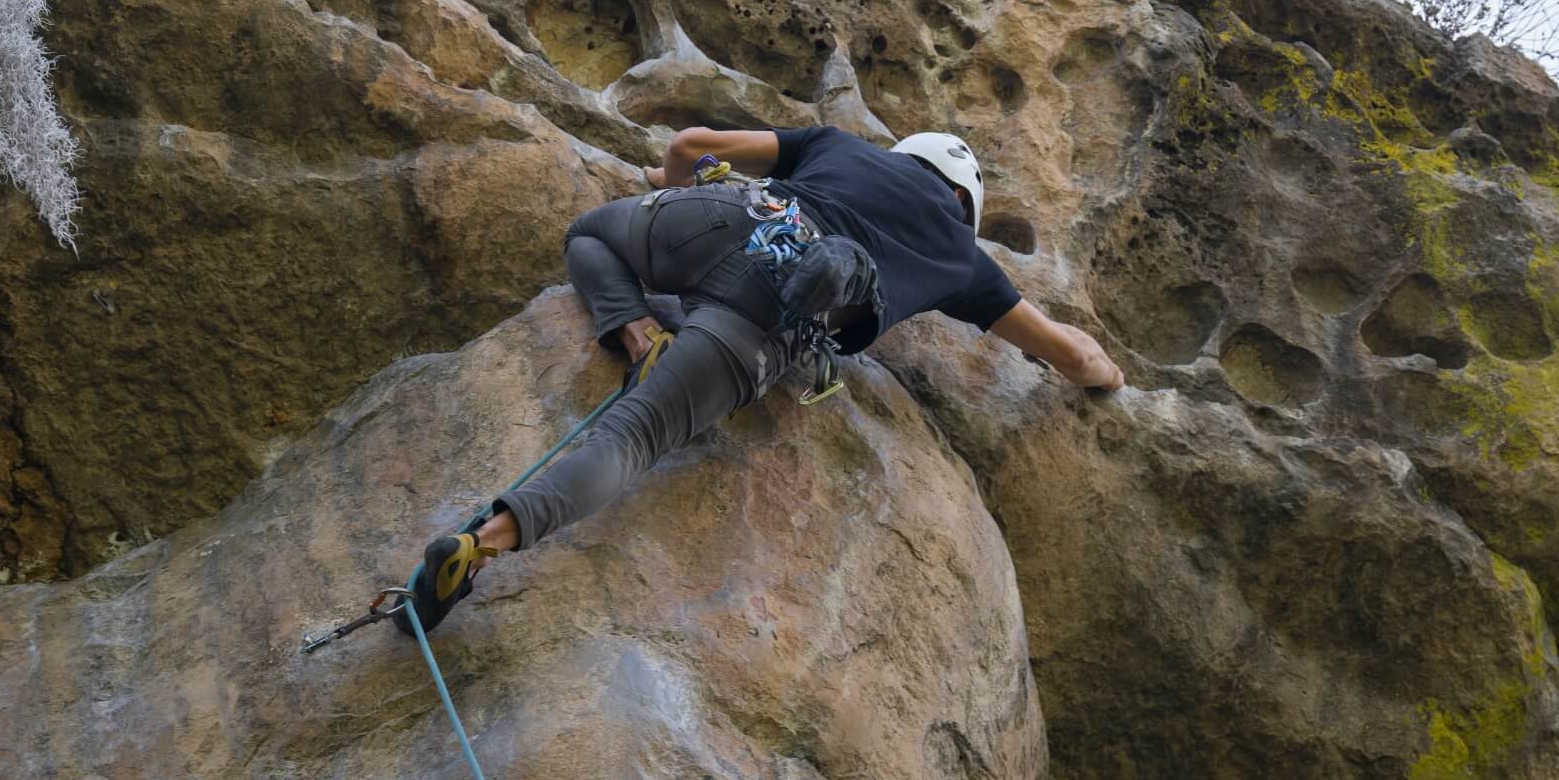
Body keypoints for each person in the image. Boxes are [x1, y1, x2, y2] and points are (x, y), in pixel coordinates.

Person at [402, 125, 1125, 633]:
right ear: (964, 207)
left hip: (733, 216)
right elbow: (1076, 360)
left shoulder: (838, 142)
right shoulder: (966, 265)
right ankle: (482, 543)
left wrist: (666, 188)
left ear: (905, 156)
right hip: (768, 314)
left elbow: (690, 146)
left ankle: (638, 333)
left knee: (589, 233)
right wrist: (1112, 372)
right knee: (633, 437)